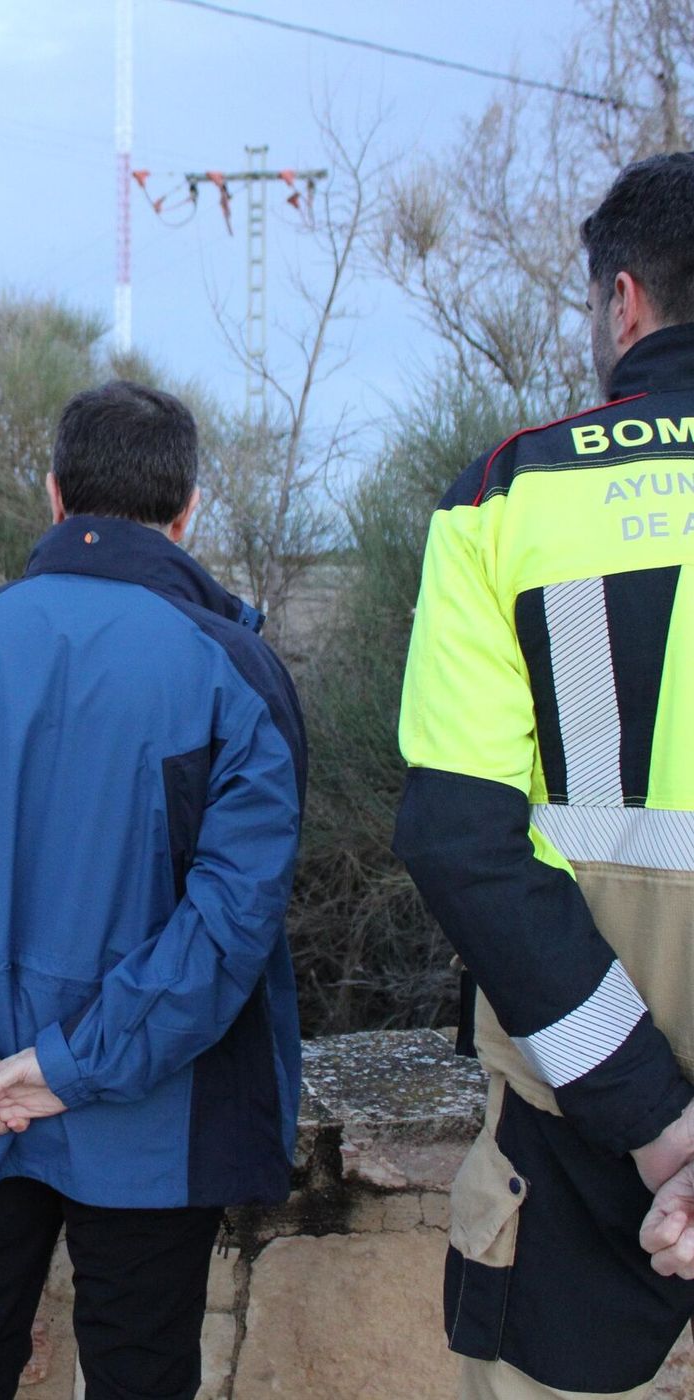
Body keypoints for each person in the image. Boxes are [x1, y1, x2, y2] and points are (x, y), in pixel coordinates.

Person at [0, 379, 306, 1400]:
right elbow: (231, 918)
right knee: (137, 1366)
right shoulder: (232, 669)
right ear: (186, 512)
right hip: (154, 1115)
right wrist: (73, 1063)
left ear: (51, 495)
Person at [392, 150, 694, 1400]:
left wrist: (659, 1123)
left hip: (577, 1151)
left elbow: (461, 839)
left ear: (620, 303)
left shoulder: (504, 497)